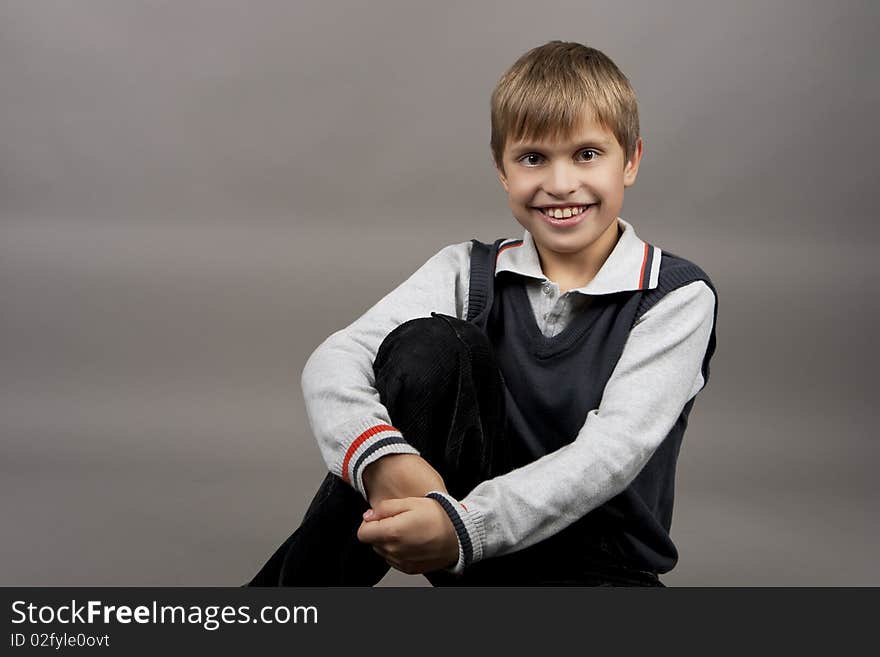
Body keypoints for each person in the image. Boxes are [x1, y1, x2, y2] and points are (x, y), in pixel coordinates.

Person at [247, 40, 718, 587]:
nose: (561, 184)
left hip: (597, 568)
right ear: (501, 168)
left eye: (587, 154)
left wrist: (464, 526)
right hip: (471, 554)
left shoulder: (675, 294)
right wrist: (381, 461)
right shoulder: (466, 271)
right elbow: (337, 357)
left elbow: (610, 454)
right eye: (533, 158)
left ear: (630, 159)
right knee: (430, 346)